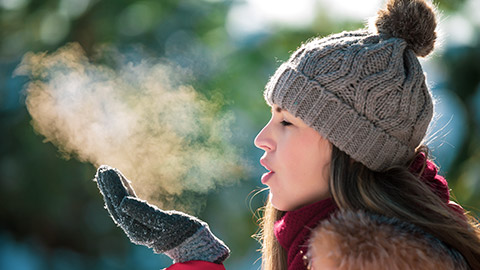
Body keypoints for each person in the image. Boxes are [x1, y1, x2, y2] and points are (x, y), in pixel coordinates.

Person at [94, 0, 480, 269]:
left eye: (287, 122)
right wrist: (193, 255)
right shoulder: (342, 247)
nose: (262, 138)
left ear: (350, 148)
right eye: (271, 116)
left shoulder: (369, 260)